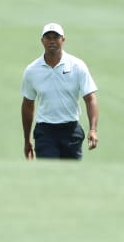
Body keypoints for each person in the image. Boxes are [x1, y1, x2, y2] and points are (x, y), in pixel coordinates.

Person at [21, 23, 99, 160]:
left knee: (71, 176)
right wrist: (27, 139)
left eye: (56, 37)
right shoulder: (32, 70)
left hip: (71, 130)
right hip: (45, 131)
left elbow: (90, 98)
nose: (52, 41)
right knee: (48, 172)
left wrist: (93, 130)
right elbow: (28, 104)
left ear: (63, 40)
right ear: (42, 41)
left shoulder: (77, 66)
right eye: (48, 37)